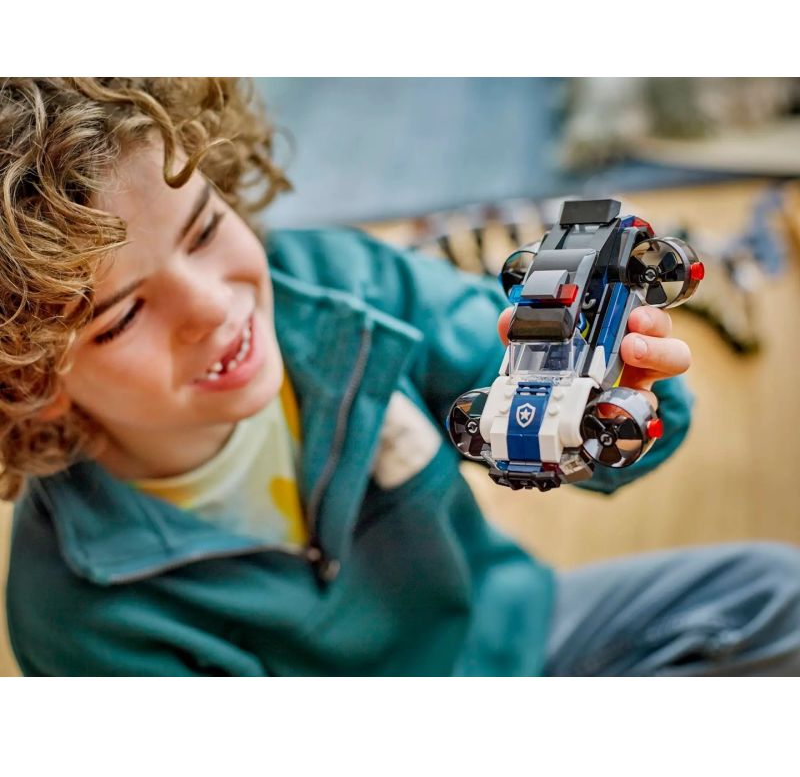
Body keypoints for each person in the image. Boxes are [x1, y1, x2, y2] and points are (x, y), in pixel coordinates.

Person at [1, 78, 798, 676]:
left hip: (513, 639)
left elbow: (596, 434)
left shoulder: (352, 290)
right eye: (122, 316)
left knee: (775, 593)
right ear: (27, 378)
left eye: (206, 230)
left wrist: (622, 394)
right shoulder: (75, 613)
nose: (213, 306)